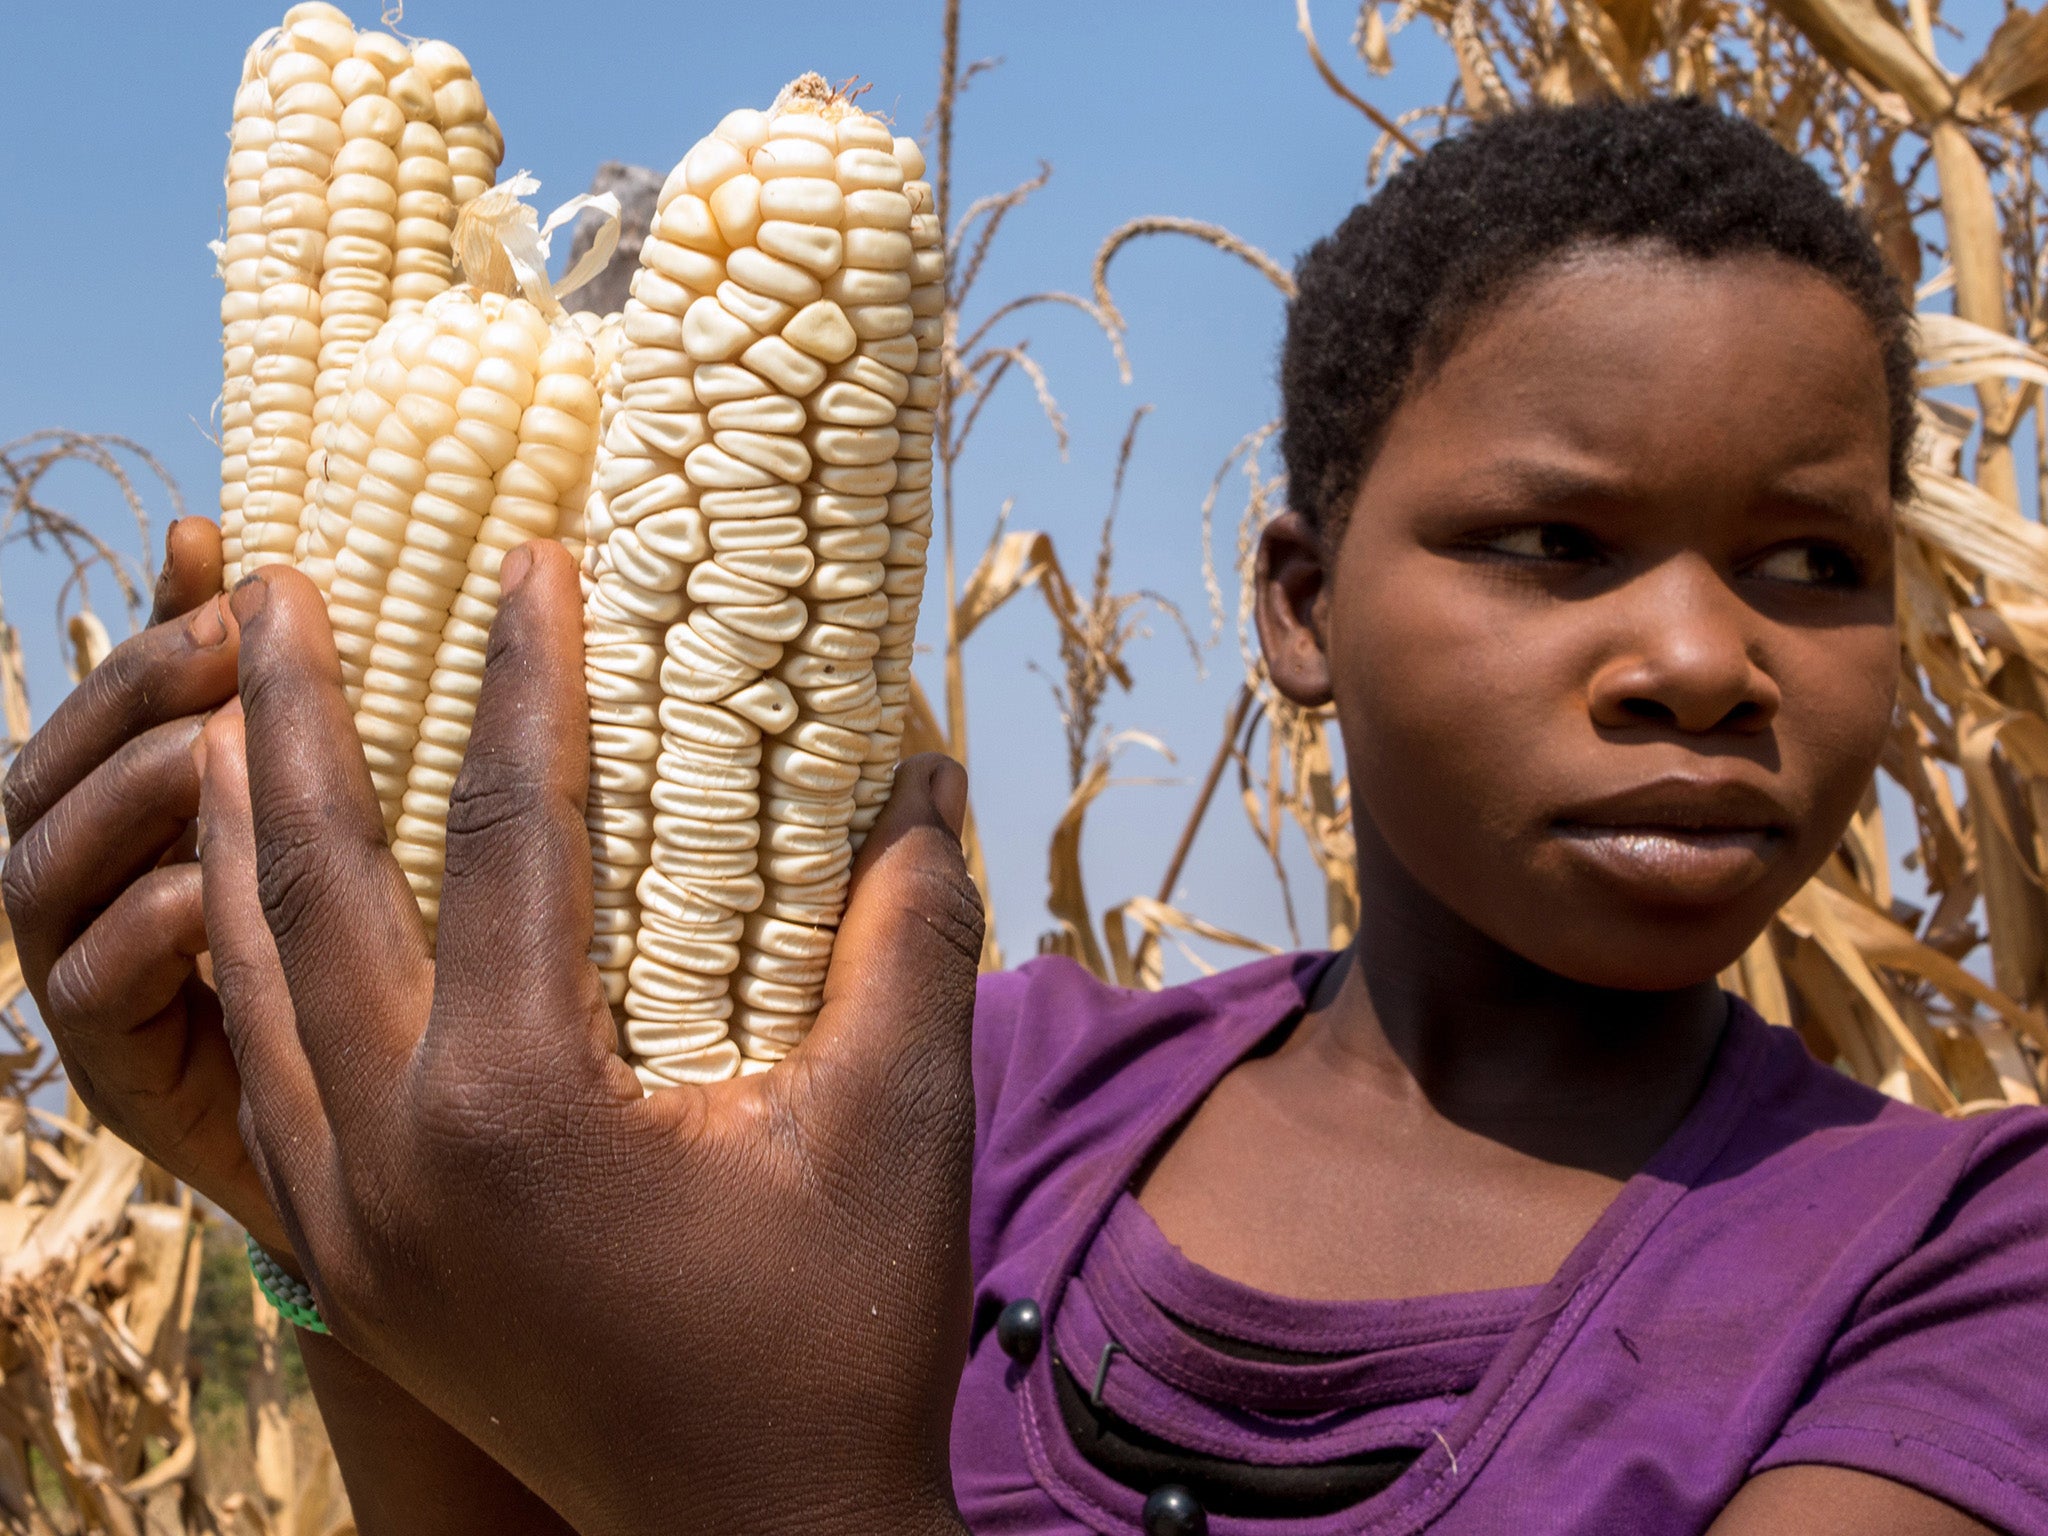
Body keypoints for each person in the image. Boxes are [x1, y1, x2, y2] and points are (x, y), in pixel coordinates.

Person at [6, 97, 2046, 1536]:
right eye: (1554, 542)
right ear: (1300, 606)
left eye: (1810, 565)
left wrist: (787, 1503)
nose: (1700, 656)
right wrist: (310, 1213)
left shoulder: (1960, 1268)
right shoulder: (953, 1096)